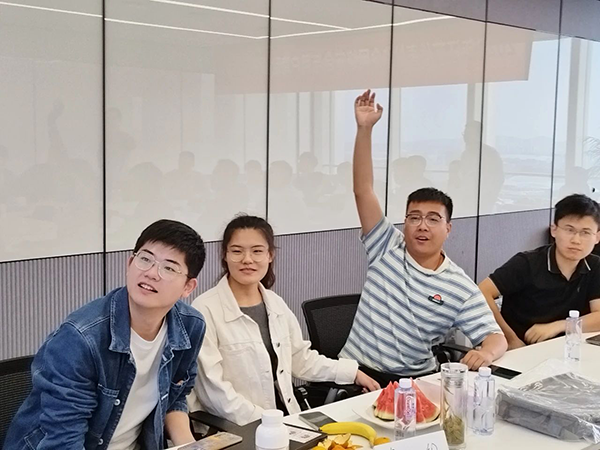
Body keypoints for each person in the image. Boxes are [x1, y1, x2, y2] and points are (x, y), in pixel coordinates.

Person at [338, 90, 507, 384]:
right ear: (405, 223)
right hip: (357, 375)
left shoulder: (458, 285)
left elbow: (495, 337)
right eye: (414, 218)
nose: (422, 226)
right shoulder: (386, 245)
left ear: (448, 228)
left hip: (414, 382)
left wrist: (487, 353)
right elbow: (363, 190)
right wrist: (364, 129)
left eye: (433, 219)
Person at [4, 220, 206, 449]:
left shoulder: (190, 326)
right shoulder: (80, 338)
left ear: (188, 287)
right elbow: (63, 440)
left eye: (169, 268)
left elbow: (175, 397)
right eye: (145, 259)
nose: (151, 273)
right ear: (130, 263)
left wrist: (189, 446)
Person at [187, 214, 380, 426]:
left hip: (284, 418)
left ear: (270, 255)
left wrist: (352, 373)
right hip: (235, 428)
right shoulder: (204, 310)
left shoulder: (275, 303)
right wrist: (270, 424)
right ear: (224, 255)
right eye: (237, 251)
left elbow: (299, 359)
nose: (247, 259)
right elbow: (214, 392)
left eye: (257, 251)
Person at [479, 194, 600, 349]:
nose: (576, 240)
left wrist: (559, 326)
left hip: (566, 348)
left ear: (597, 237)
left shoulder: (595, 266)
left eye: (585, 232)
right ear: (554, 230)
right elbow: (482, 292)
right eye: (569, 230)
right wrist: (510, 339)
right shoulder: (527, 263)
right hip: (521, 348)